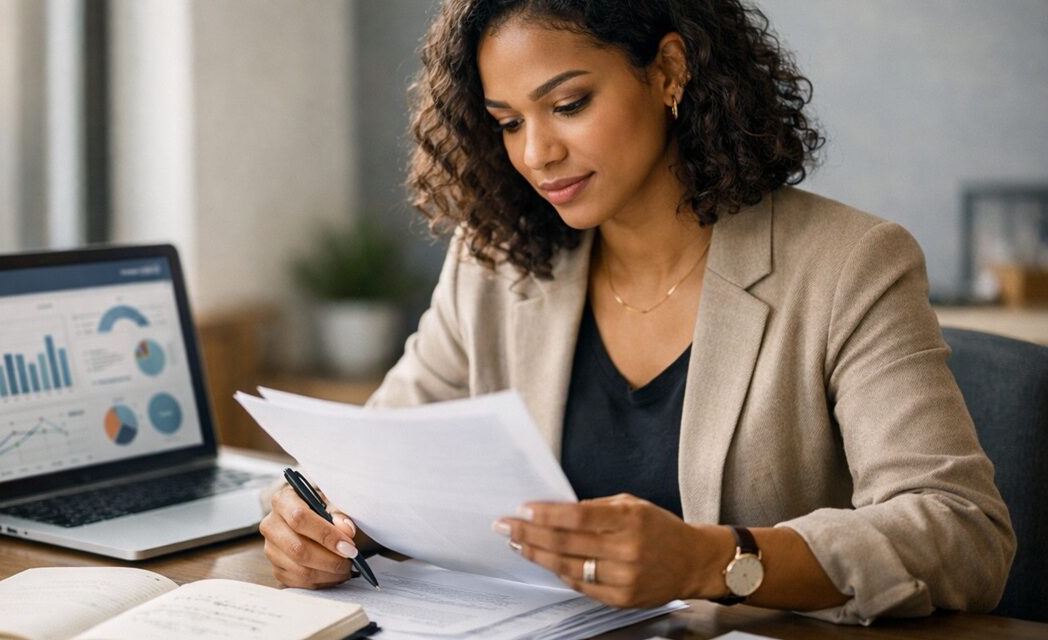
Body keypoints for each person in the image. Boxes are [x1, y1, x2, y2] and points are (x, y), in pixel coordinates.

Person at [258, 0, 1014, 624]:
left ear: (670, 71)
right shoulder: (493, 263)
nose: (536, 154)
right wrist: (314, 522)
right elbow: (373, 463)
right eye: (508, 122)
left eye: (568, 104)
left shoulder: (851, 264)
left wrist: (712, 559)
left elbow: (960, 531)